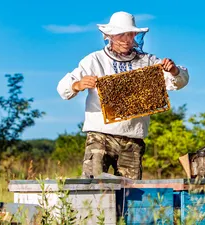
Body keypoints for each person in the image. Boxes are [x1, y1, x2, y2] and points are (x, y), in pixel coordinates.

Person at [57, 11, 189, 180]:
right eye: (121, 35)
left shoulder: (147, 61)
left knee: (131, 196)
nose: (127, 40)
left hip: (133, 138)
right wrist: (78, 85)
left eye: (130, 34)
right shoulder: (94, 60)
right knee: (92, 187)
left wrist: (173, 70)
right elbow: (63, 88)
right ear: (110, 36)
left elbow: (180, 80)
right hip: (100, 135)